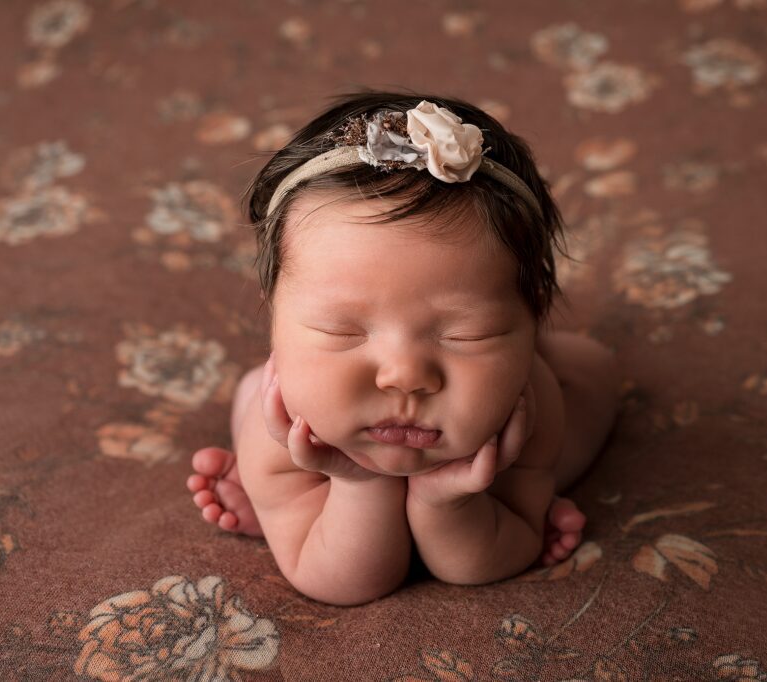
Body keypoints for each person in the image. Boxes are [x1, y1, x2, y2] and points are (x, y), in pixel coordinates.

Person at [186, 91, 621, 605]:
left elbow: (479, 566)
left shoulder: (527, 412)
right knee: (251, 395)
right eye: (342, 331)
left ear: (532, 323)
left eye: (467, 334)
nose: (404, 375)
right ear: (273, 318)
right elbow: (340, 584)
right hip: (315, 467)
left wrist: (450, 503)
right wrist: (357, 483)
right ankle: (293, 508)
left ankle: (505, 492)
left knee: (593, 369)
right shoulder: (279, 432)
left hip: (496, 456)